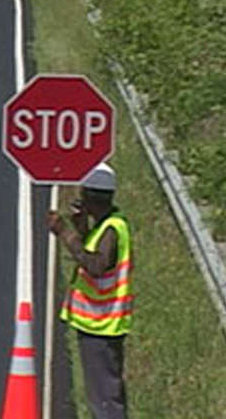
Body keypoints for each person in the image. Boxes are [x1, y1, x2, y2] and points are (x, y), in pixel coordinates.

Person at [47, 162, 133, 419]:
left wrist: (65, 233)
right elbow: (94, 255)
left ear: (91, 197)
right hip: (96, 323)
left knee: (105, 399)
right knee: (102, 395)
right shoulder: (105, 225)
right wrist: (82, 229)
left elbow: (96, 264)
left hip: (102, 324)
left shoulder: (113, 229)